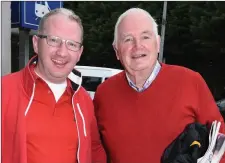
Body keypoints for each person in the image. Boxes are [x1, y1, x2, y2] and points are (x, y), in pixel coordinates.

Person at [93, 8, 225, 163]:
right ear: (116, 50)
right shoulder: (104, 93)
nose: (137, 46)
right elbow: (95, 149)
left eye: (145, 37)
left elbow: (220, 142)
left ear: (157, 43)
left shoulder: (190, 82)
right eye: (128, 39)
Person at [2, 8, 106, 163]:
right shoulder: (4, 90)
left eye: (72, 44)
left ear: (79, 53)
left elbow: (94, 149)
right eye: (54, 40)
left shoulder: (83, 100)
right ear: (36, 44)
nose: (62, 52)